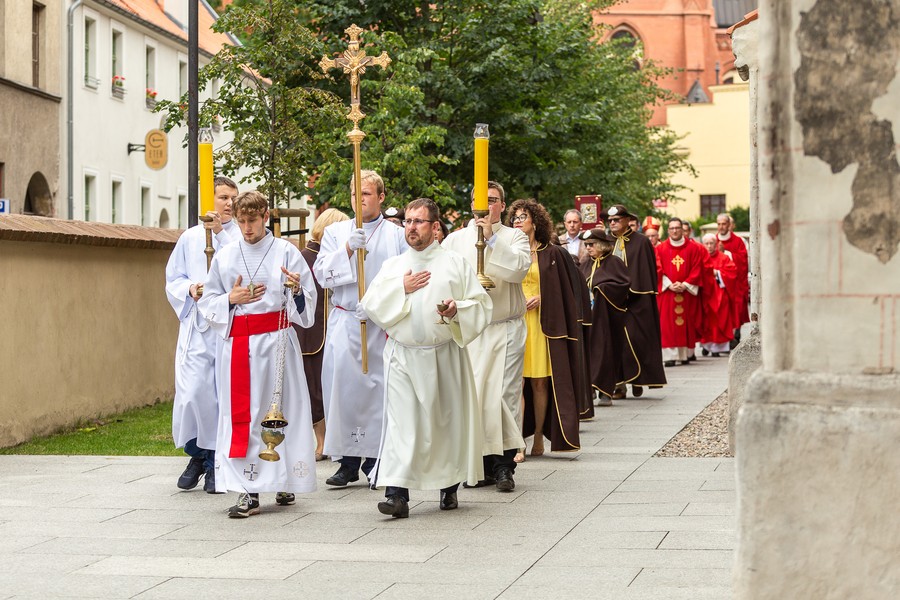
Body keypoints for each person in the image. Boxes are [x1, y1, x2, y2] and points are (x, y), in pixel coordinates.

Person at [361, 198, 492, 518]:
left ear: (435, 227)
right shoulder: (394, 266)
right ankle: (396, 494)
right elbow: (370, 305)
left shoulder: (455, 263)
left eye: (419, 222)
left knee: (443, 424)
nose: (411, 227)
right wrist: (400, 288)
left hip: (442, 354)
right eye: (407, 221)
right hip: (403, 357)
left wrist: (455, 310)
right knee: (401, 426)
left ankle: (448, 487)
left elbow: (481, 305)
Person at [198, 191, 318, 517]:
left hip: (278, 344)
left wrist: (296, 290)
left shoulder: (286, 253)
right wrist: (231, 299)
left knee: (280, 412)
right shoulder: (225, 257)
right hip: (239, 347)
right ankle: (246, 491)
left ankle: (284, 479)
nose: (247, 228)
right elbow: (208, 304)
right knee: (243, 416)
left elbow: (306, 304)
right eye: (241, 222)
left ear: (266, 216)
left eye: (252, 221)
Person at [313, 170, 408, 487]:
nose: (359, 199)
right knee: (343, 391)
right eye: (355, 193)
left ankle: (378, 459)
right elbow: (321, 275)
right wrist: (347, 251)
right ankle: (347, 461)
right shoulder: (336, 233)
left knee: (380, 392)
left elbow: (407, 275)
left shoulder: (396, 235)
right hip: (346, 320)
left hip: (381, 325)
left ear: (381, 197)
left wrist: (381, 302)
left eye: (366, 194)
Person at [442, 181, 530, 492]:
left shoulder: (514, 236)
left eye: (492, 201)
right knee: (474, 398)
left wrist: (491, 239)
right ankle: (479, 465)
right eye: (480, 201)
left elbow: (518, 270)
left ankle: (505, 466)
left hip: (503, 326)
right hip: (470, 331)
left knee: (501, 396)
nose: (486, 207)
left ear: (502, 206)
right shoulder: (454, 241)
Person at [165, 176, 238, 493]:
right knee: (194, 393)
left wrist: (220, 235)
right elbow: (173, 278)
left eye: (233, 198)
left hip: (226, 327)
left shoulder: (239, 237)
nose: (229, 204)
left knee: (221, 396)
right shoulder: (191, 238)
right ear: (210, 199)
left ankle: (213, 464)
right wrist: (189, 288)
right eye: (223, 197)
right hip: (198, 328)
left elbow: (241, 269)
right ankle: (198, 454)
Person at [510, 198, 585, 456]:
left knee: (539, 384)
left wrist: (543, 297)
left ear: (535, 221)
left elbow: (565, 290)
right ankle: (518, 441)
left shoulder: (552, 253)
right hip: (516, 320)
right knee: (516, 383)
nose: (518, 221)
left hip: (542, 323)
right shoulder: (509, 251)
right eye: (515, 218)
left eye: (523, 217)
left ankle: (540, 435)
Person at [295, 208, 349, 462]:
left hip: (337, 328)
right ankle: (321, 439)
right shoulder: (306, 257)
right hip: (314, 331)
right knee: (314, 387)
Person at [606, 204, 666, 398]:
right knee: (615, 343)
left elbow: (646, 271)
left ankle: (639, 379)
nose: (613, 223)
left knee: (636, 340)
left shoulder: (641, 242)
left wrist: (639, 293)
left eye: (617, 220)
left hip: (637, 300)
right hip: (611, 301)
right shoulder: (606, 241)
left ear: (626, 221)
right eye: (610, 221)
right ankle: (619, 385)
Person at [581, 228, 630, 406]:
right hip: (589, 317)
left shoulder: (614, 262)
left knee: (604, 352)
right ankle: (591, 388)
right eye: (586, 245)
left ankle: (605, 391)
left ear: (601, 245)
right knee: (589, 353)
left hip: (608, 319)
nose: (588, 248)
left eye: (591, 244)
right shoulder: (585, 263)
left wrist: (602, 290)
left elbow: (623, 285)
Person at [656, 218, 705, 367]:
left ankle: (685, 355)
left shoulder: (694, 248)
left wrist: (684, 284)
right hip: (667, 292)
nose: (675, 231)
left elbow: (697, 268)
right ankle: (669, 356)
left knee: (687, 323)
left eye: (677, 228)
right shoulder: (660, 248)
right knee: (667, 325)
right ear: (668, 230)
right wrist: (669, 285)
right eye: (672, 228)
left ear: (682, 230)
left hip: (687, 292)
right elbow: (657, 268)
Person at [700, 234, 738, 356]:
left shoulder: (724, 258)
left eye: (711, 243)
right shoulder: (700, 257)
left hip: (720, 295)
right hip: (706, 294)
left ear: (716, 245)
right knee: (707, 322)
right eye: (706, 243)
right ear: (703, 245)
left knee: (721, 320)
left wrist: (718, 273)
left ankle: (719, 347)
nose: (709, 246)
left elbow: (732, 272)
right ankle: (708, 346)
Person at [716, 213, 749, 341]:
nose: (721, 227)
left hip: (736, 284)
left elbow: (743, 261)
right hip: (719, 283)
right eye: (719, 224)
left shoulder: (738, 241)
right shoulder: (713, 240)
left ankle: (736, 334)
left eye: (724, 224)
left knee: (736, 308)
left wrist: (727, 253)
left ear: (729, 225)